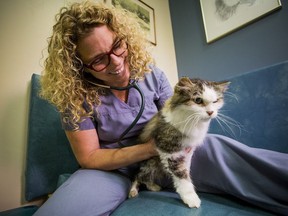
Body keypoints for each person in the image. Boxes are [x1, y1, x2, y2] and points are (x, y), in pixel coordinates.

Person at [34, 1, 288, 216]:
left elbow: (179, 115)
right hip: (111, 171)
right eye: (99, 60)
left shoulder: (151, 74)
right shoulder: (74, 98)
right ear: (80, 67)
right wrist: (149, 148)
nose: (117, 63)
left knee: (220, 148)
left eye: (117, 46)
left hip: (169, 157)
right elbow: (89, 158)